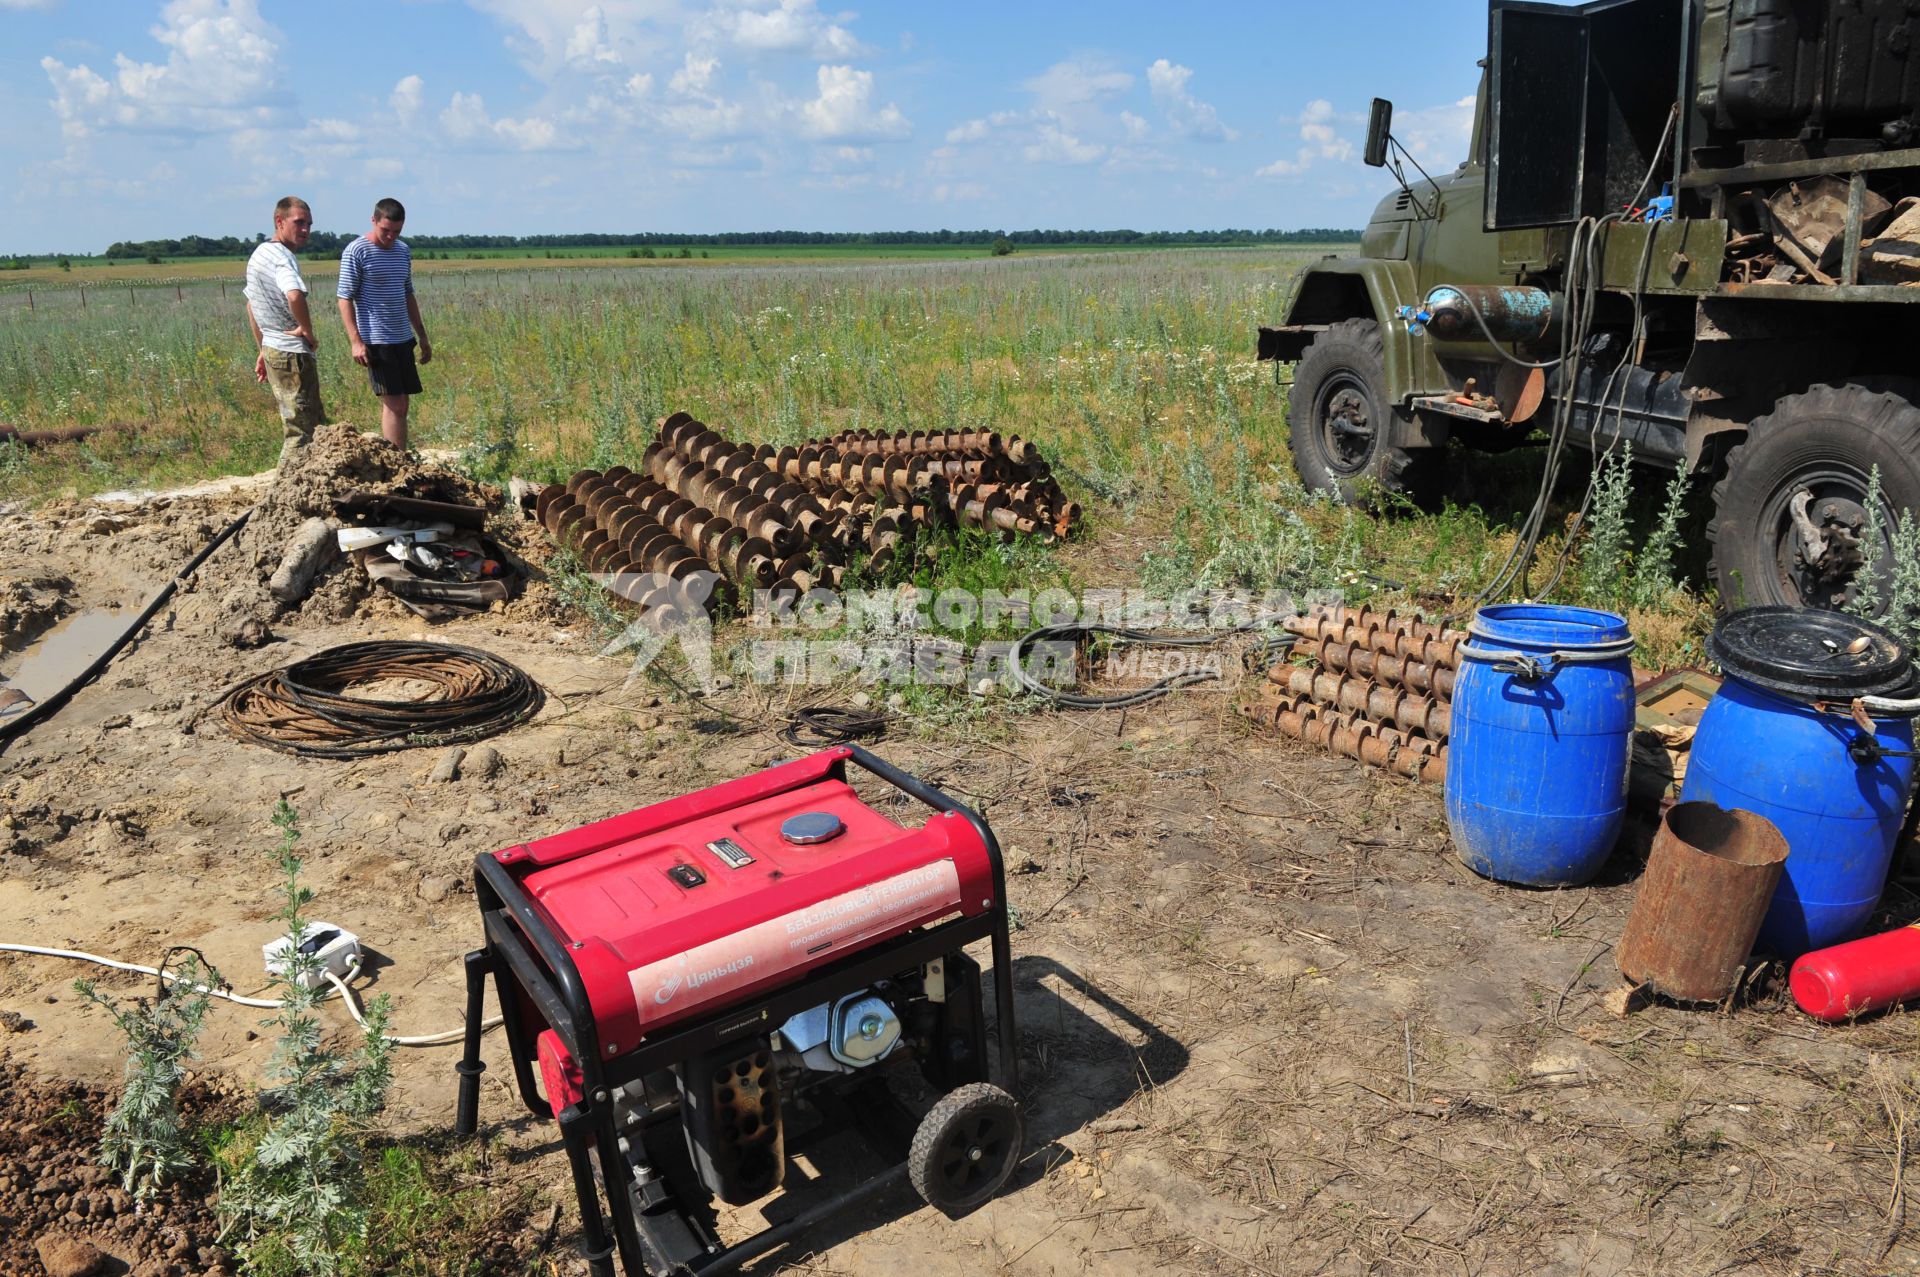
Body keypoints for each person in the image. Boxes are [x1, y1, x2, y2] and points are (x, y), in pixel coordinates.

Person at [337, 197, 432, 449]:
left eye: (397, 231)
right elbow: (344, 297)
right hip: (377, 340)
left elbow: (407, 293)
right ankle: (397, 462)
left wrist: (422, 335)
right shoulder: (356, 251)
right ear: (373, 220)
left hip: (402, 337)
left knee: (403, 404)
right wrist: (356, 342)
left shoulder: (403, 250)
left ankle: (398, 456)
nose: (391, 237)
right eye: (385, 230)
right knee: (395, 404)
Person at [244, 196, 327, 467]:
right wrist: (307, 330)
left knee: (308, 424)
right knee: (302, 431)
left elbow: (250, 306)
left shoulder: (260, 254)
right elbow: (294, 295)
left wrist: (262, 348)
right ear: (279, 221)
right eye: (298, 223)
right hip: (292, 354)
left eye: (309, 224)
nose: (305, 230)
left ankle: (312, 483)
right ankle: (287, 493)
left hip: (274, 348)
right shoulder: (282, 257)